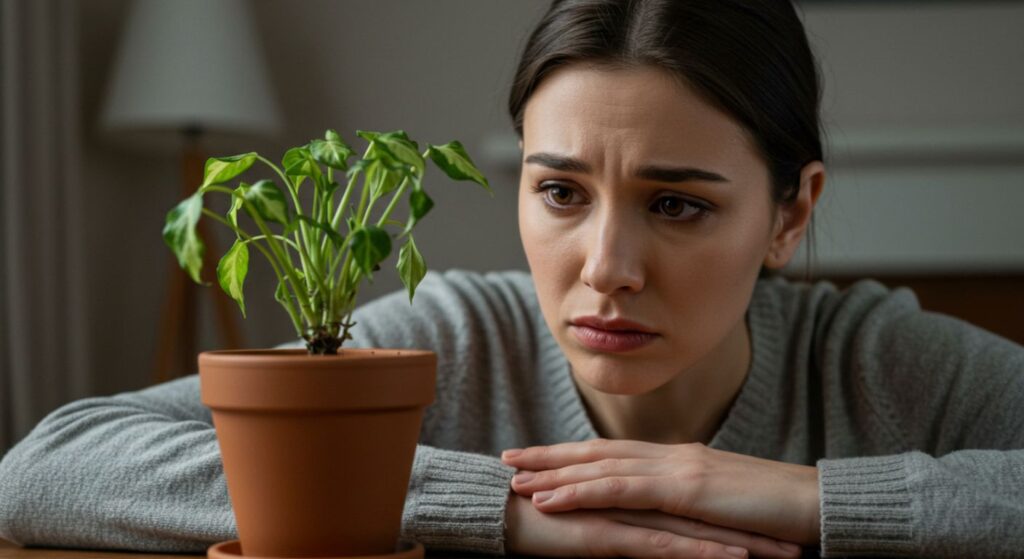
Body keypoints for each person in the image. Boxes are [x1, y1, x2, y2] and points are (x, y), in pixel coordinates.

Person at [1, 0, 1022, 557]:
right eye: (562, 193)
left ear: (789, 213)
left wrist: (789, 495)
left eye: (677, 204)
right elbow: (48, 464)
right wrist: (499, 509)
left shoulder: (873, 359)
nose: (607, 269)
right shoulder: (447, 337)